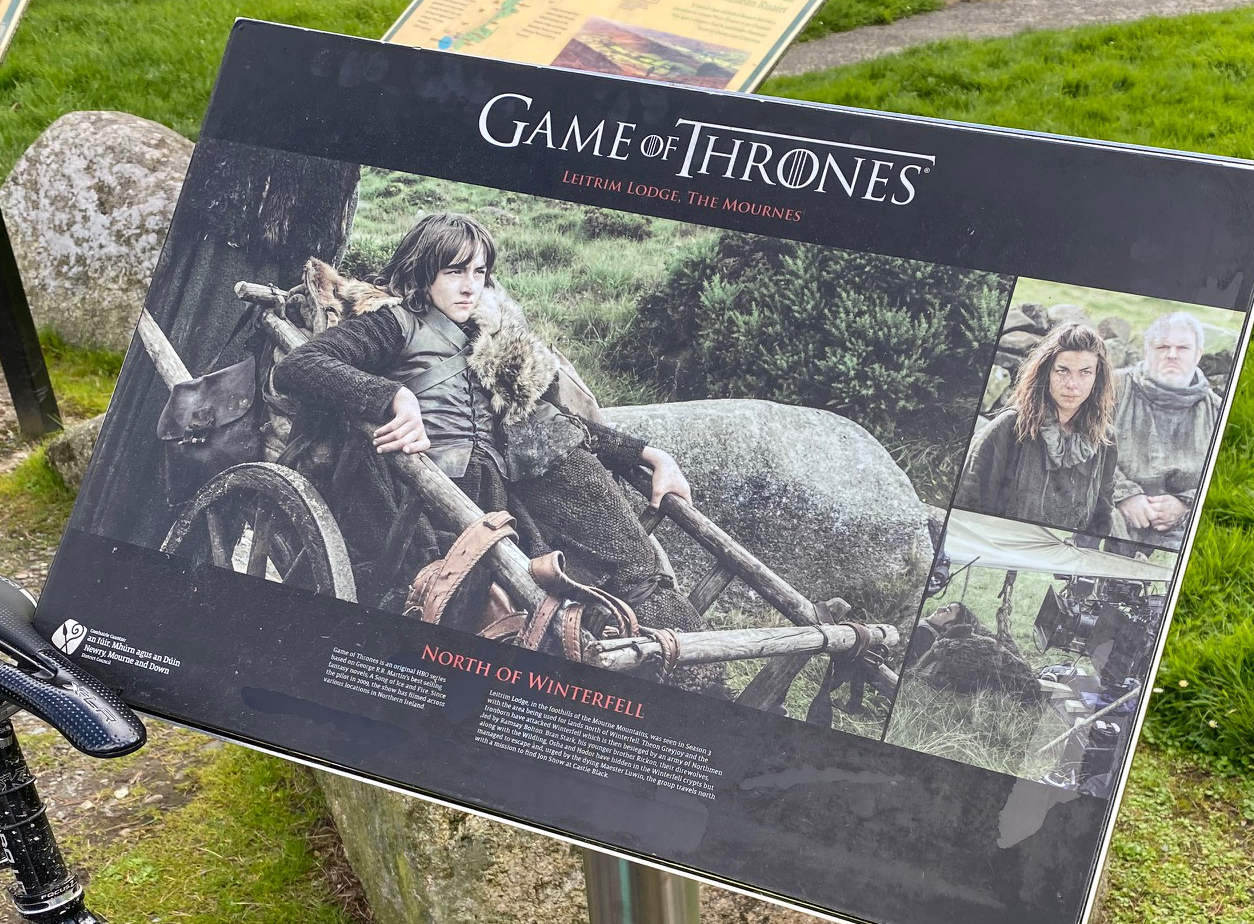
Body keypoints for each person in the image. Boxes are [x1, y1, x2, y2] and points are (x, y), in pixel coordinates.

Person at [273, 213, 722, 691]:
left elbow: (550, 422)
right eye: (454, 272)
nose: (470, 286)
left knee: (615, 571)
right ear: (422, 273)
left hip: (497, 499)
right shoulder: (393, 323)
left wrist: (649, 454)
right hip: (417, 501)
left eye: (480, 272)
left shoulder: (488, 341)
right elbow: (301, 365)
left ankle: (698, 684)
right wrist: (393, 396)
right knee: (484, 607)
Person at [955, 322, 1117, 534]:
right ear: (1047, 372)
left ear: (1097, 378)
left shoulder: (1104, 438)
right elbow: (967, 503)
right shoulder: (1010, 426)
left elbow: (1101, 518)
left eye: (1085, 372)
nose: (1072, 384)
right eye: (1062, 370)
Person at [1109, 312, 1221, 550]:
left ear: (1198, 354)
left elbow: (1223, 480)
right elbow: (1083, 443)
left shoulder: (1217, 411)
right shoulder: (1112, 389)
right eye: (1162, 347)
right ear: (1147, 351)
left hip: (1180, 530)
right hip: (1112, 513)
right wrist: (1124, 494)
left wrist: (1185, 505)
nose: (1172, 355)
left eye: (1183, 348)